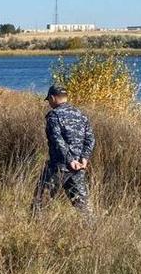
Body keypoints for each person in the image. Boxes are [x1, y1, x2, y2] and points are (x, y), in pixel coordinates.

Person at [31, 84, 95, 216]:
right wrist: (84, 159)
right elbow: (90, 139)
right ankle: (94, 231)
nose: (49, 103)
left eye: (48, 100)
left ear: (53, 98)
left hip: (58, 167)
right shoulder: (81, 115)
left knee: (40, 200)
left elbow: (57, 140)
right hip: (78, 168)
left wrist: (70, 160)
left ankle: (36, 229)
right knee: (83, 207)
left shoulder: (54, 116)